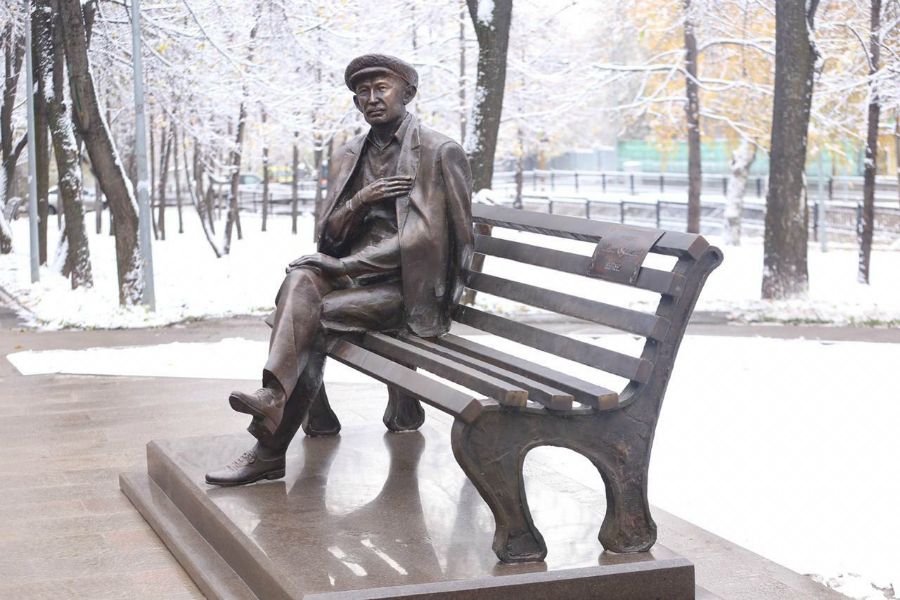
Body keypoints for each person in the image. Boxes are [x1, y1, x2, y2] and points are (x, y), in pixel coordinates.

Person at [206, 54, 473, 486]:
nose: (372, 98)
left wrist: (343, 265)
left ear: (407, 93)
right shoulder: (350, 154)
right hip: (354, 281)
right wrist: (360, 201)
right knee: (299, 279)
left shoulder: (438, 151)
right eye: (363, 92)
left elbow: (427, 241)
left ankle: (269, 450)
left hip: (409, 290)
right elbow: (328, 237)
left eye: (381, 88)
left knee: (311, 320)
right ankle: (273, 395)